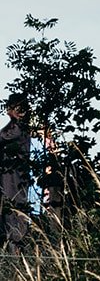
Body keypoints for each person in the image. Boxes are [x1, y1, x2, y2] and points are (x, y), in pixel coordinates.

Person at [0, 95, 31, 249]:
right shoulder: (15, 127)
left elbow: (3, 138)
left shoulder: (18, 128)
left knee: (14, 216)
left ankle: (15, 253)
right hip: (11, 179)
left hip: (13, 180)